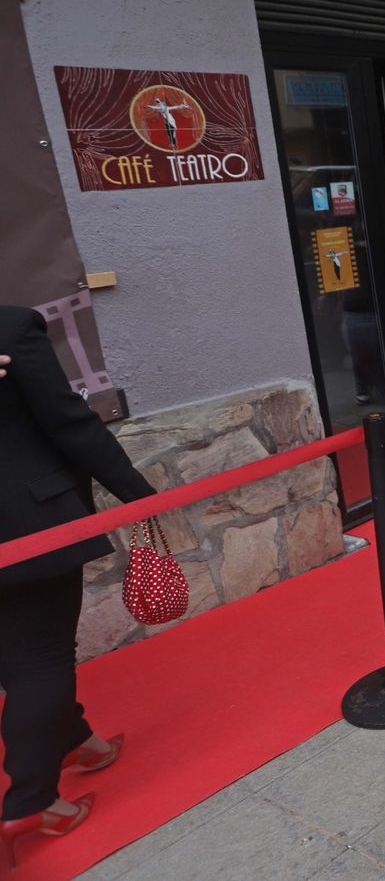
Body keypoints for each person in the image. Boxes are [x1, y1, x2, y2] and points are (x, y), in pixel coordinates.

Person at [0, 305, 156, 869]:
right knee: (40, 659)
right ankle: (31, 802)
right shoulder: (9, 327)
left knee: (15, 655)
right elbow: (69, 422)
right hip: (25, 520)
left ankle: (77, 741)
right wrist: (141, 496)